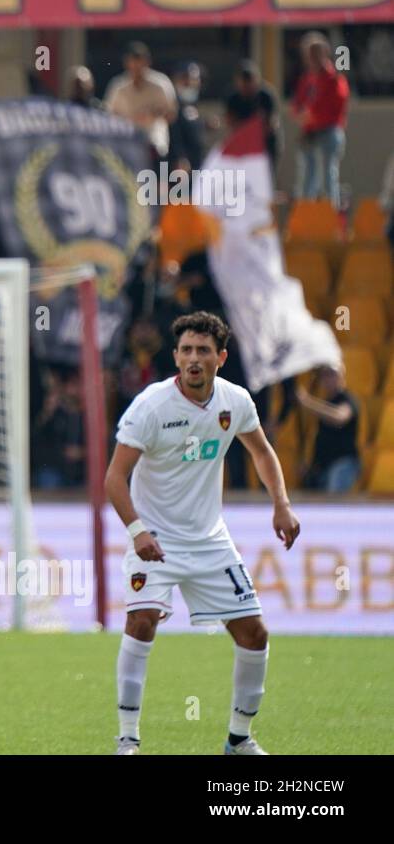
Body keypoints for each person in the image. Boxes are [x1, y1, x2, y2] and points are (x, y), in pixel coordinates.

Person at [104, 312, 300, 755]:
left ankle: (239, 739)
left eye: (203, 351)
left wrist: (281, 505)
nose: (194, 359)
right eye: (187, 351)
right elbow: (115, 478)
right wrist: (137, 531)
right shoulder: (151, 406)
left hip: (210, 540)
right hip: (154, 539)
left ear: (221, 358)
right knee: (141, 621)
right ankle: (128, 740)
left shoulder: (236, 401)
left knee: (255, 634)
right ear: (175, 356)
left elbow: (263, 453)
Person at [291, 31, 349, 205]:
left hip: (328, 131)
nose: (312, 58)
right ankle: (306, 213)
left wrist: (312, 116)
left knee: (328, 175)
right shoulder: (307, 79)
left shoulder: (333, 78)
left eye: (316, 53)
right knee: (307, 175)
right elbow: (298, 104)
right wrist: (302, 117)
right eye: (309, 54)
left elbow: (335, 105)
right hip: (310, 133)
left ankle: (331, 212)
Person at [104, 42, 178, 160]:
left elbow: (172, 114)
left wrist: (153, 114)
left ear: (147, 62)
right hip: (126, 145)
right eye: (133, 63)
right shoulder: (118, 87)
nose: (137, 67)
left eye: (140, 62)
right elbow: (108, 116)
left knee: (155, 177)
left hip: (154, 143)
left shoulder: (161, 84)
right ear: (127, 63)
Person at [297, 365, 360, 494]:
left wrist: (307, 402)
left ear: (341, 376)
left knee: (333, 504)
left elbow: (340, 417)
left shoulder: (348, 399)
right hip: (322, 467)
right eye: (324, 375)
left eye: (332, 374)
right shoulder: (326, 402)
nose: (328, 379)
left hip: (342, 464)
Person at [225, 61, 280, 172]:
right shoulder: (233, 98)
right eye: (243, 82)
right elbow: (231, 122)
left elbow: (272, 124)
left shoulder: (266, 96)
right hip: (242, 142)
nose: (246, 86)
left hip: (265, 142)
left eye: (249, 81)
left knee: (266, 176)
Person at [168, 62, 206, 172]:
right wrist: (179, 157)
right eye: (185, 78)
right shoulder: (173, 105)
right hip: (180, 168)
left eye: (194, 79)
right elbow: (173, 133)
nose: (190, 83)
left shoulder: (192, 105)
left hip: (196, 164)